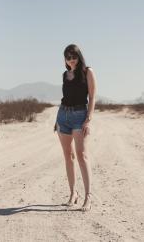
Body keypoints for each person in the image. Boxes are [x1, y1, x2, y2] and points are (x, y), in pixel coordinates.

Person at [54, 44, 97, 212]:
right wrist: (57, 121)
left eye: (74, 56)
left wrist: (88, 119)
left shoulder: (88, 72)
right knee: (68, 156)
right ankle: (73, 193)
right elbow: (66, 97)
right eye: (68, 57)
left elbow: (92, 96)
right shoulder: (65, 75)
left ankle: (88, 196)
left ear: (79, 56)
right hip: (62, 116)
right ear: (65, 59)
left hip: (80, 116)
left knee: (82, 155)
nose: (71, 60)